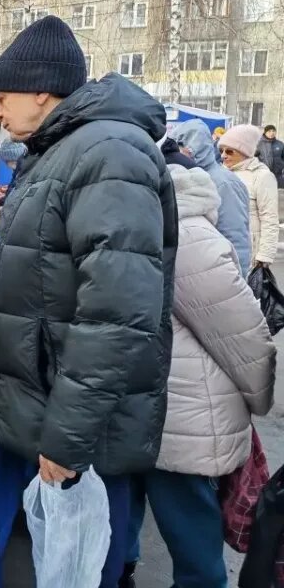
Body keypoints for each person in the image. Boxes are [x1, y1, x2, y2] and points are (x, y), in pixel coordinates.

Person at [0, 15, 178, 588]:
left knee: (79, 564)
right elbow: (28, 270)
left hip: (86, 427)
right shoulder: (57, 151)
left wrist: (69, 440)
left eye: (1, 99)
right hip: (47, 398)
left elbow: (117, 316)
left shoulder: (109, 155)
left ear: (41, 90)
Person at [122, 161, 275, 588]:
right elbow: (247, 338)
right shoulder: (184, 235)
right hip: (169, 414)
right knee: (176, 529)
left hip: (171, 414)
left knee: (181, 531)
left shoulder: (177, 237)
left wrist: (254, 399)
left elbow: (242, 335)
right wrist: (255, 402)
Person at [171, 119, 251, 273]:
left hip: (217, 273)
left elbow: (235, 238)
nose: (178, 153)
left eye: (182, 147)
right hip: (195, 271)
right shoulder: (183, 176)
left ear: (197, 148)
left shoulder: (223, 183)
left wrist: (238, 280)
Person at [219, 124, 280, 269]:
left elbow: (269, 218)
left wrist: (264, 256)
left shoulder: (262, 176)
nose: (223, 155)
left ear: (244, 151)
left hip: (250, 252)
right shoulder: (220, 174)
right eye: (221, 150)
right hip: (223, 249)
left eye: (229, 151)